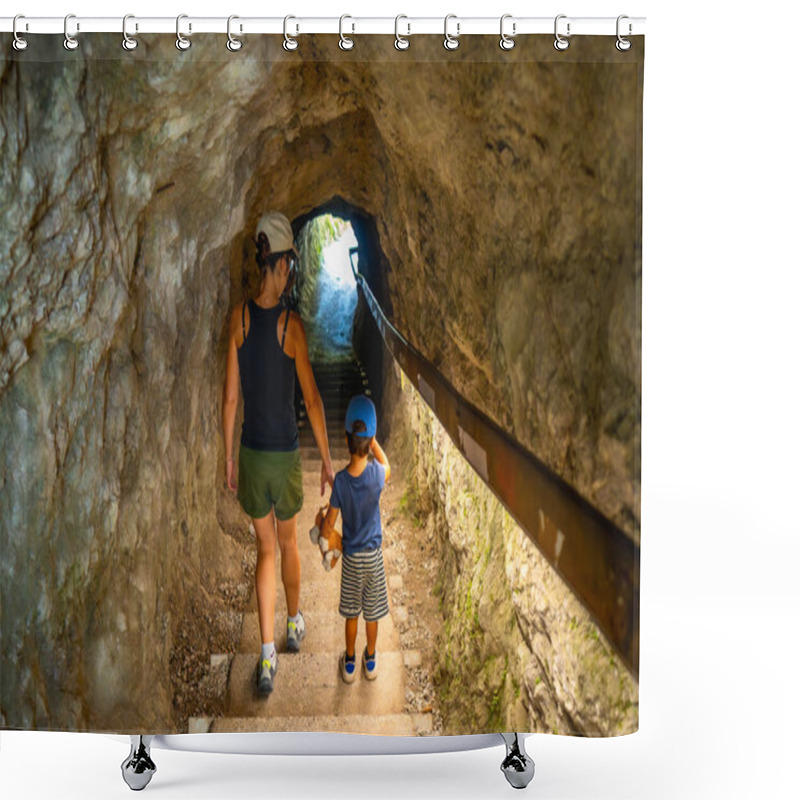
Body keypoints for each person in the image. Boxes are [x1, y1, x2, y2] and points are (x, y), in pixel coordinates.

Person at [223, 211, 334, 696]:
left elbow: (231, 398)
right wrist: (329, 462)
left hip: (250, 454)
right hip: (286, 458)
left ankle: (265, 656)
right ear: (285, 264)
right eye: (290, 263)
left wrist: (228, 457)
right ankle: (294, 624)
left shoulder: (240, 318)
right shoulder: (291, 326)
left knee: (263, 550)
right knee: (288, 545)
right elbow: (311, 400)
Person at [321, 395, 391, 683]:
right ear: (371, 439)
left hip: (350, 559)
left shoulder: (340, 482)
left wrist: (322, 525)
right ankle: (370, 660)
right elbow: (388, 466)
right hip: (373, 559)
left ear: (346, 437)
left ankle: (349, 663)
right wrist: (374, 443)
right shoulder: (377, 475)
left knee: (352, 614)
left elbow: (328, 528)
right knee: (371, 615)